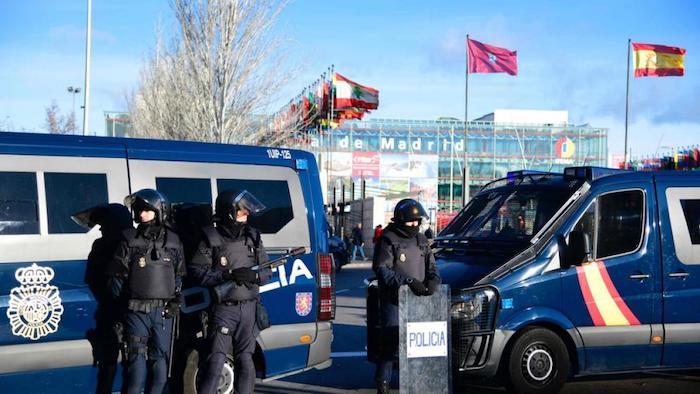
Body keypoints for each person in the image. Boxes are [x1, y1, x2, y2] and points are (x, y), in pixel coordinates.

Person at [190, 189, 272, 394]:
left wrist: (252, 276)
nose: (247, 215)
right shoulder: (211, 237)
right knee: (216, 360)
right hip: (224, 309)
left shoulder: (253, 236)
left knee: (246, 359)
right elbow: (197, 271)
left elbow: (266, 272)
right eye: (242, 211)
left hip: (250, 307)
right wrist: (227, 275)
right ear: (228, 211)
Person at [107, 189, 186, 394]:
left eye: (146, 210)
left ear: (158, 211)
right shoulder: (129, 239)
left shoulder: (174, 242)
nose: (141, 214)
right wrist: (123, 306)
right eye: (138, 210)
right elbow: (116, 278)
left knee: (161, 362)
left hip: (164, 311)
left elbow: (178, 276)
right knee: (136, 363)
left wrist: (177, 298)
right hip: (136, 311)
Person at [372, 199, 441, 394]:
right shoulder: (388, 238)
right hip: (394, 300)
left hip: (418, 300)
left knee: (419, 343)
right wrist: (408, 282)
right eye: (411, 221)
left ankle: (417, 382)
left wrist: (434, 281)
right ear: (401, 220)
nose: (415, 225)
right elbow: (382, 270)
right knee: (391, 342)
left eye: (417, 221)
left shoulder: (421, 240)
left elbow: (432, 267)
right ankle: (382, 382)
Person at [76, 203, 132, 394]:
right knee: (131, 362)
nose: (100, 228)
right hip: (129, 312)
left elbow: (91, 278)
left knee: (108, 364)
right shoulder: (134, 243)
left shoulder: (103, 245)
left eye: (104, 224)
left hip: (109, 310)